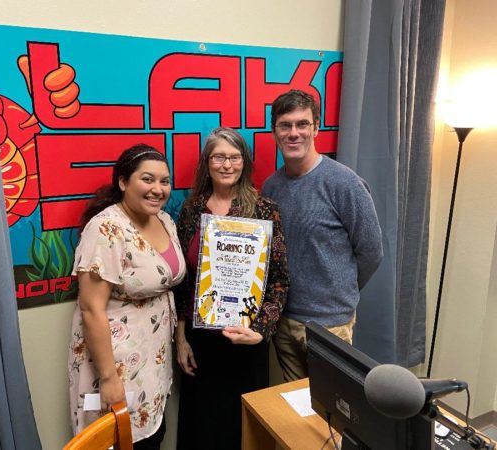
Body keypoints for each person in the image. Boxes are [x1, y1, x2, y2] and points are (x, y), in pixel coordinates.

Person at [174, 127, 289, 450]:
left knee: (243, 432)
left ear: (245, 163)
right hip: (200, 342)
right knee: (202, 428)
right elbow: (181, 281)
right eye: (219, 157)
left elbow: (280, 281)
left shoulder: (264, 209)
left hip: (245, 340)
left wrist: (260, 330)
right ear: (207, 162)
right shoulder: (192, 210)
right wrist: (180, 338)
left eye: (234, 157)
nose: (227, 165)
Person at [68, 144, 186, 449]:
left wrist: (180, 338)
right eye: (147, 179)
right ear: (123, 182)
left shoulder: (165, 221)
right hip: (117, 364)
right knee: (121, 441)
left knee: (152, 436)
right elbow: (91, 309)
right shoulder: (106, 229)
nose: (158, 189)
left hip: (153, 361)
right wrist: (109, 378)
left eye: (164, 181)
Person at [262, 89, 383, 381]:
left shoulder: (345, 183)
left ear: (316, 128)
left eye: (302, 124)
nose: (294, 133)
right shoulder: (271, 187)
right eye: (285, 125)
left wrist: (339, 290)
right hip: (285, 320)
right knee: (294, 403)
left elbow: (371, 252)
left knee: (332, 403)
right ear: (274, 132)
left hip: (330, 324)